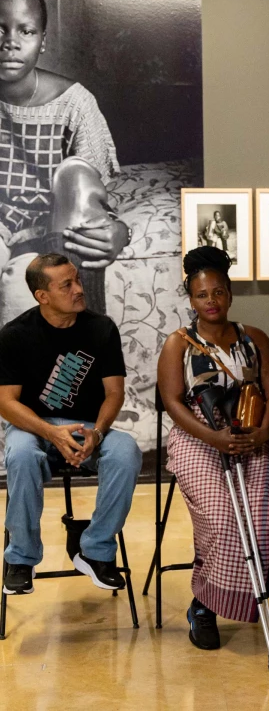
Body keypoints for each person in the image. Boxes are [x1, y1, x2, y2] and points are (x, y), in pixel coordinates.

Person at [157, 246, 269, 652]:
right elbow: (173, 401)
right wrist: (214, 438)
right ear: (190, 299)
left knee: (267, 517)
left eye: (218, 292)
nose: (211, 301)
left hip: (254, 439)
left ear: (230, 293)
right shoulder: (179, 344)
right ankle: (204, 605)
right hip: (198, 440)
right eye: (201, 295)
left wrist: (263, 432)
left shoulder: (254, 338)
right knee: (225, 518)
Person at [0, 253, 141, 594]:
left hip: (87, 428)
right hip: (35, 428)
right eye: (67, 285)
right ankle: (21, 557)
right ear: (42, 296)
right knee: (19, 454)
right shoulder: (15, 334)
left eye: (77, 280)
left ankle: (95, 550)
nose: (79, 289)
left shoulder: (101, 328)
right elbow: (6, 402)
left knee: (126, 451)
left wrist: (97, 432)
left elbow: (114, 393)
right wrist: (51, 432)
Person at [0, 0, 129, 322]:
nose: (9, 43)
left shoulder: (73, 103)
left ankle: (80, 361)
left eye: (25, 31)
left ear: (42, 40)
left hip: (52, 229)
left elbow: (88, 194)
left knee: (23, 295)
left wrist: (117, 229)